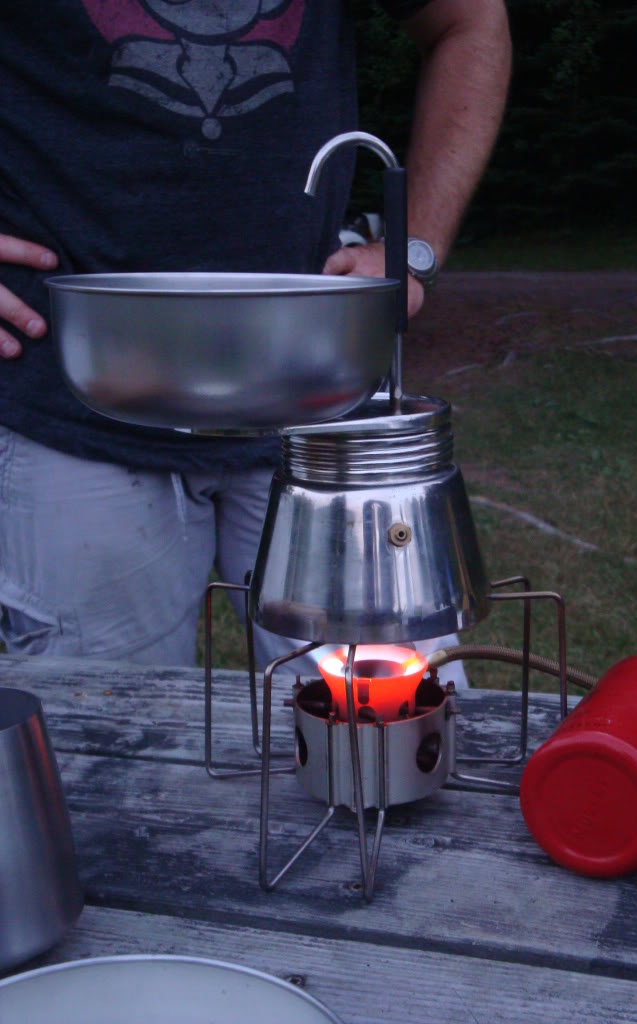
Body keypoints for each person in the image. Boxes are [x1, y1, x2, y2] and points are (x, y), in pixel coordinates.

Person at [0, 1, 512, 678]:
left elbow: (468, 20)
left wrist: (413, 244)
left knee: (392, 743)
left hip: (319, 394)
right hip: (71, 394)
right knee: (107, 748)